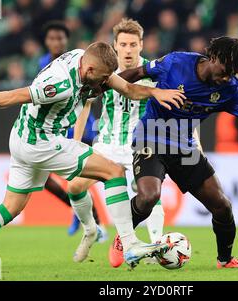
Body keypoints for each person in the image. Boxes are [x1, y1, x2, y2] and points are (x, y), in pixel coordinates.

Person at [0, 42, 186, 273]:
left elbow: (128, 88)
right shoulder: (60, 84)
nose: (104, 84)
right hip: (41, 141)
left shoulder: (87, 60)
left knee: (11, 207)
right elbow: (13, 96)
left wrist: (155, 92)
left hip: (20, 138)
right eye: (102, 78)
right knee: (113, 172)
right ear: (89, 69)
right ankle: (130, 245)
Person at [109, 36, 238, 269]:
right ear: (213, 58)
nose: (226, 78)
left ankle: (225, 260)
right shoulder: (176, 63)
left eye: (232, 74)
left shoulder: (231, 88)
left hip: (184, 148)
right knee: (149, 196)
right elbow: (136, 73)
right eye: (224, 71)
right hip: (151, 137)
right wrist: (108, 86)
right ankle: (123, 238)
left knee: (222, 205)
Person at [67, 18, 165, 267]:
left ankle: (155, 246)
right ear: (115, 45)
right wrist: (76, 144)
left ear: (141, 45)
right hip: (107, 145)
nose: (128, 49)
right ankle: (91, 230)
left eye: (133, 44)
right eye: (123, 44)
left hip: (140, 144)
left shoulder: (153, 72)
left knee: (149, 195)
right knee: (75, 188)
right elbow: (85, 109)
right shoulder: (103, 71)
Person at [38, 20, 104, 238]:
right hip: (53, 129)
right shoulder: (42, 64)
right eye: (52, 38)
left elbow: (92, 95)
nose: (56, 42)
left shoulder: (78, 61)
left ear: (66, 40)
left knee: (79, 178)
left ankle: (94, 221)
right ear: (46, 41)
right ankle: (79, 212)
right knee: (44, 179)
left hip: (79, 126)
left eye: (60, 38)